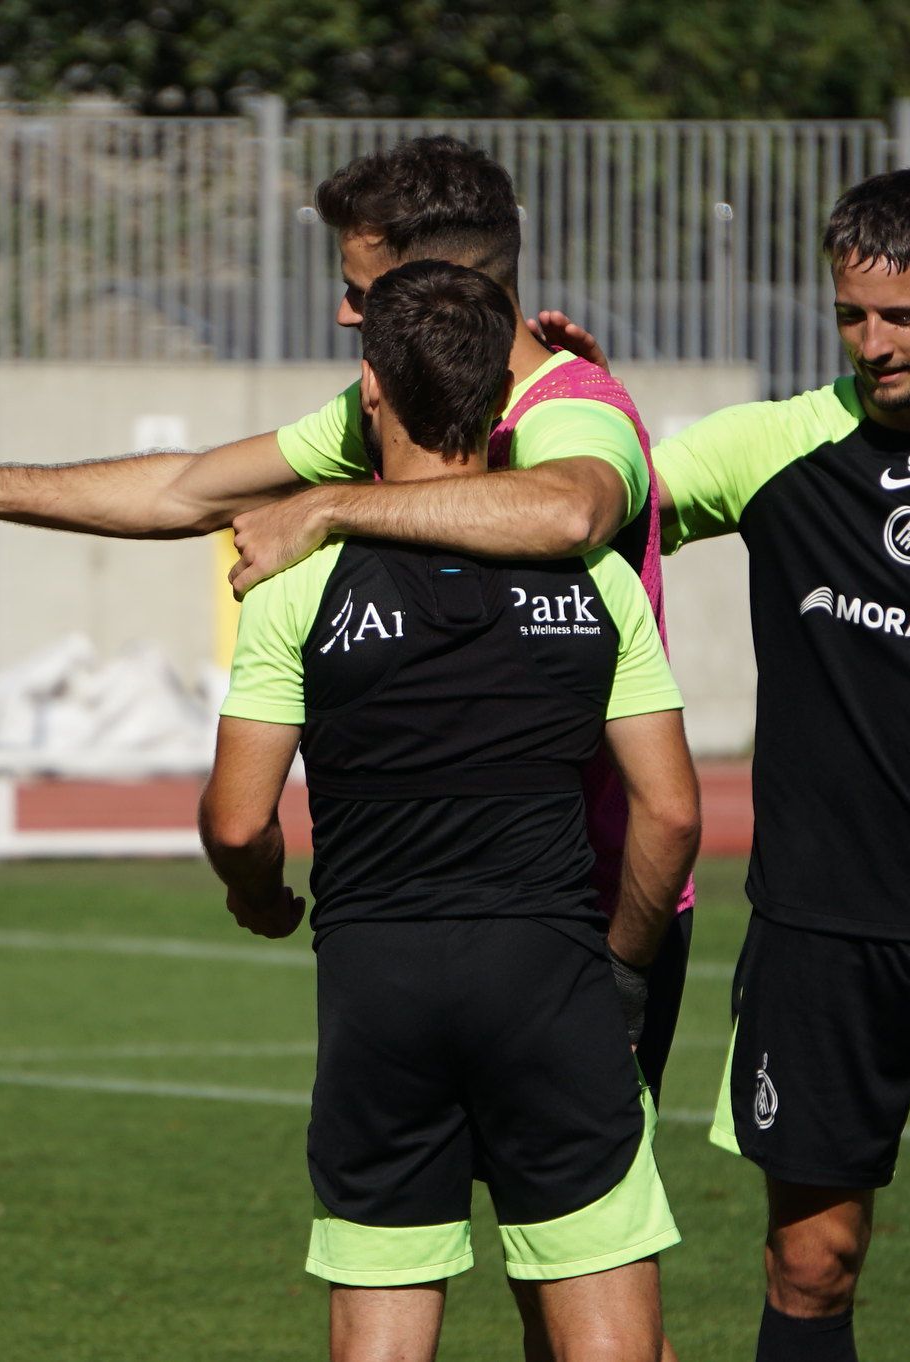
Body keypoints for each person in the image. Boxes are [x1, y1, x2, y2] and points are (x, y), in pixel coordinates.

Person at [0, 135, 701, 1100]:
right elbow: (185, 490)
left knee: (576, 1236)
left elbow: (569, 508)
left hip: (586, 903)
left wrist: (333, 505)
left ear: (443, 282)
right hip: (421, 906)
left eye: (362, 287)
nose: (343, 310)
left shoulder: (570, 407)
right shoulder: (388, 407)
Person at [516, 168, 910, 1362]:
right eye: (850, 316)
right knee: (808, 1270)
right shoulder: (773, 446)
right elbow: (586, 498)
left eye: (902, 317)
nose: (873, 344)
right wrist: (574, 399)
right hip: (818, 937)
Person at [199, 259, 701, 1362]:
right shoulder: (597, 578)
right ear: (500, 400)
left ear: (370, 386)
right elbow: (667, 815)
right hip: (549, 977)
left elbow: (238, 821)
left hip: (378, 988)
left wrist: (262, 896)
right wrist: (615, 968)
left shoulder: (293, 579)